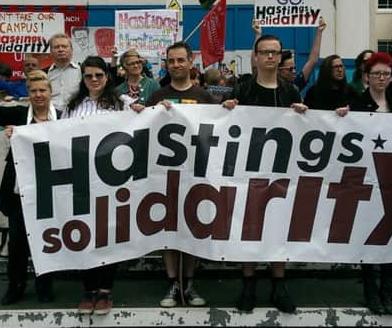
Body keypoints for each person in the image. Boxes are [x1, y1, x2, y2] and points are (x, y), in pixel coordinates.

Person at [222, 34, 307, 314]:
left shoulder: (290, 91)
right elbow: (223, 123)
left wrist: (304, 114)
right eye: (265, 52)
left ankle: (278, 284)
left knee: (278, 225)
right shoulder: (243, 88)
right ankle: (249, 283)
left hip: (281, 172)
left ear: (280, 56)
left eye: (275, 52)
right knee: (249, 227)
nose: (271, 57)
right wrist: (228, 109)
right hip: (247, 171)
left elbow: (306, 128)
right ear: (255, 56)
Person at [139, 42, 215, 309]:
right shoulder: (157, 95)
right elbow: (142, 129)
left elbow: (222, 129)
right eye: (171, 61)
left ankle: (189, 283)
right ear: (166, 64)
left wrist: (230, 109)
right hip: (164, 176)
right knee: (168, 231)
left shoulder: (205, 97)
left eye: (181, 60)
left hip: (195, 176)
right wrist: (141, 114)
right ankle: (173, 283)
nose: (176, 65)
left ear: (190, 62)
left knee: (192, 230)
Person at [0, 65, 56, 305]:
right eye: (33, 90)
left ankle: (45, 286)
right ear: (29, 93)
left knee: (47, 242)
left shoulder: (64, 118)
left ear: (50, 92)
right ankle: (16, 286)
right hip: (20, 191)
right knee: (17, 244)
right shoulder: (17, 116)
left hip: (50, 192)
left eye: (42, 90)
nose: (38, 95)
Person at [62, 56, 124, 315]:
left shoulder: (122, 105)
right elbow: (57, 134)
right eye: (89, 76)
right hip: (81, 179)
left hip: (110, 181)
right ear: (83, 78)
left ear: (107, 76)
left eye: (99, 75)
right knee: (84, 234)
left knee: (107, 235)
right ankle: (89, 288)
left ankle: (105, 290)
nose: (94, 80)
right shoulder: (73, 106)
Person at [349, 52, 392, 315]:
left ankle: (388, 291)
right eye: (376, 74)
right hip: (365, 178)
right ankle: (371, 291)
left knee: (389, 235)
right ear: (366, 77)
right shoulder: (355, 104)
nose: (382, 78)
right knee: (368, 235)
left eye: (386, 74)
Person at [253, 17, 326, 91]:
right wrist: (258, 34)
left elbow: (312, 61)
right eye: (290, 69)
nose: (294, 72)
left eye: (294, 68)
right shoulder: (258, 82)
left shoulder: (294, 86)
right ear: (278, 69)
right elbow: (255, 64)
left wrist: (319, 32)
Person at [47, 33, 81, 112]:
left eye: (64, 46)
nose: (60, 49)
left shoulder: (81, 71)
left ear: (71, 50)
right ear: (51, 52)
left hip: (74, 113)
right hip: (50, 114)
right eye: (56, 47)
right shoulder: (45, 73)